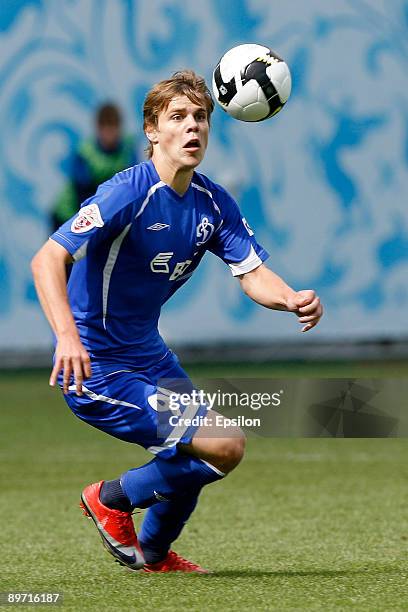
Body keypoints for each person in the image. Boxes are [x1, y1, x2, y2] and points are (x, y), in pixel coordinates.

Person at [31, 70, 323, 574]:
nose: (193, 128)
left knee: (203, 453)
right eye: (178, 117)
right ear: (152, 130)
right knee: (223, 442)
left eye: (201, 117)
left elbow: (252, 275)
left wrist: (291, 298)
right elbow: (47, 259)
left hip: (148, 355)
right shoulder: (127, 191)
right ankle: (110, 498)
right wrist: (66, 338)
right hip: (98, 366)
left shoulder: (212, 203)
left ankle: (154, 556)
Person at [51, 103, 138, 232]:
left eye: (113, 128)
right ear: (98, 128)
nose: (109, 134)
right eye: (105, 128)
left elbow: (133, 185)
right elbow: (83, 195)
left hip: (102, 215)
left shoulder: (127, 150)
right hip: (68, 215)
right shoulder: (85, 153)